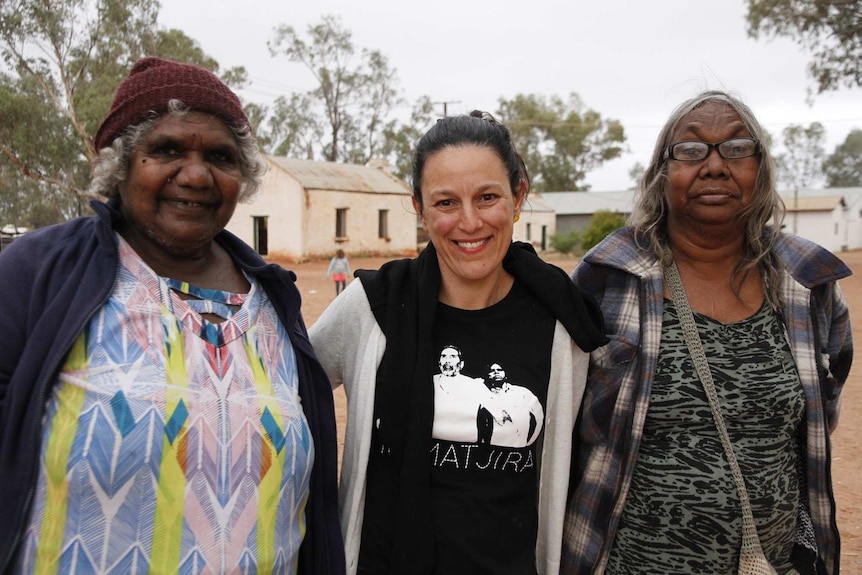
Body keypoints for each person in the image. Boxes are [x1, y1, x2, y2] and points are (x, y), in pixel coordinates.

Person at [0, 57, 345, 575]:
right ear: (120, 163)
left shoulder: (276, 300)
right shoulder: (40, 276)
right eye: (166, 149)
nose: (196, 174)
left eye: (221, 156)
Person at [562, 90, 852, 575]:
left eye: (737, 148)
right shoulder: (607, 279)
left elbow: (821, 415)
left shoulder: (808, 284)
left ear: (760, 169)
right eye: (692, 150)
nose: (715, 165)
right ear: (662, 172)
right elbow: (566, 424)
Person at [309, 111, 607, 575]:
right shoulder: (375, 307)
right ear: (420, 208)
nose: (469, 222)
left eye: (487, 197)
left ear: (517, 197)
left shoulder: (559, 323)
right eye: (446, 202)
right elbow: (289, 392)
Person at [478, 362, 544, 448]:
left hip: (517, 446)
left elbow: (539, 417)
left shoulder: (522, 392)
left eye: (499, 370)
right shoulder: (481, 392)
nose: (496, 372)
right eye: (492, 371)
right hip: (490, 448)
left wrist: (530, 441)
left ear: (505, 373)